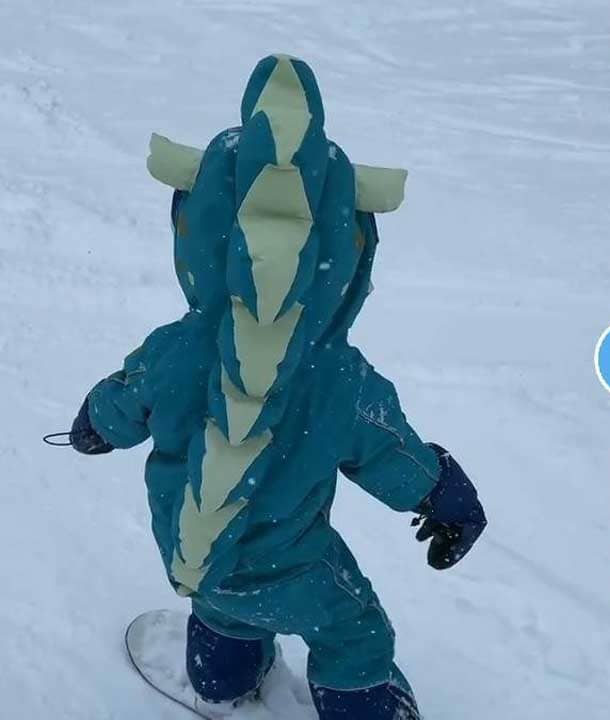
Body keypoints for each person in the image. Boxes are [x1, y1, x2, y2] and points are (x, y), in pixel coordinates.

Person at [64, 54, 486, 719]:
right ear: (346, 252)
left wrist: (94, 423)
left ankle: (220, 676)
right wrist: (445, 494)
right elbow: (390, 449)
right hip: (296, 571)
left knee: (223, 602)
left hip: (191, 554)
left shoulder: (175, 352)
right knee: (355, 631)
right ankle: (365, 709)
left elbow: (124, 396)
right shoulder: (339, 379)